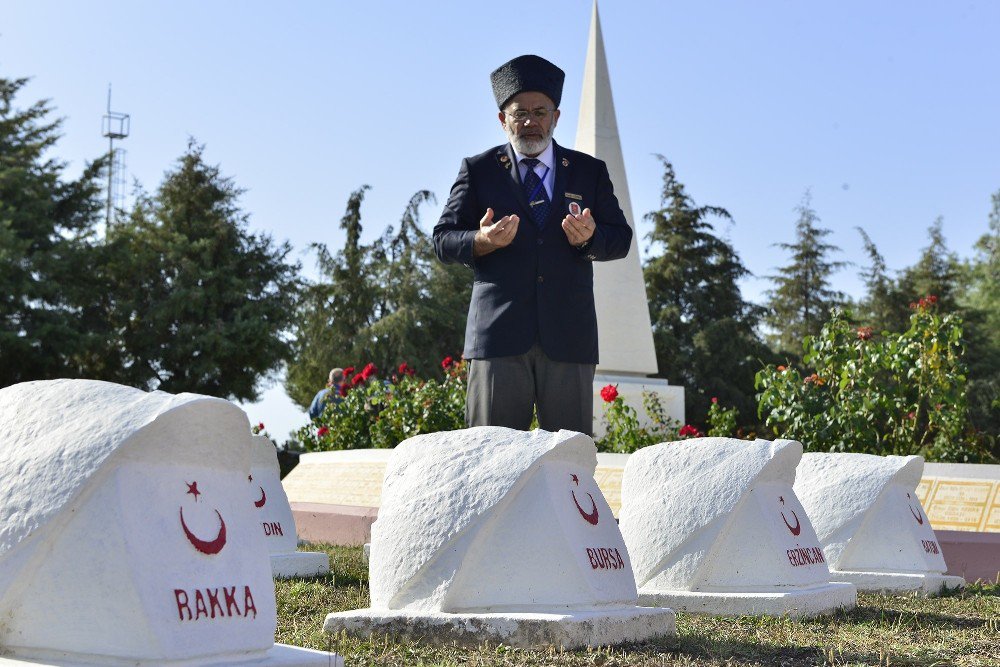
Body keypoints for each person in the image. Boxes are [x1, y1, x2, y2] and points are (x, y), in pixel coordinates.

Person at [433, 54, 632, 435]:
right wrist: (480, 240)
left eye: (540, 111)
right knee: (491, 464)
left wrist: (590, 238)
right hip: (498, 339)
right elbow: (442, 239)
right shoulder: (479, 171)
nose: (529, 121)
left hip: (568, 338)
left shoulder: (589, 171)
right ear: (501, 119)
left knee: (569, 467)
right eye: (519, 112)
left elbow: (619, 239)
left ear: (556, 117)